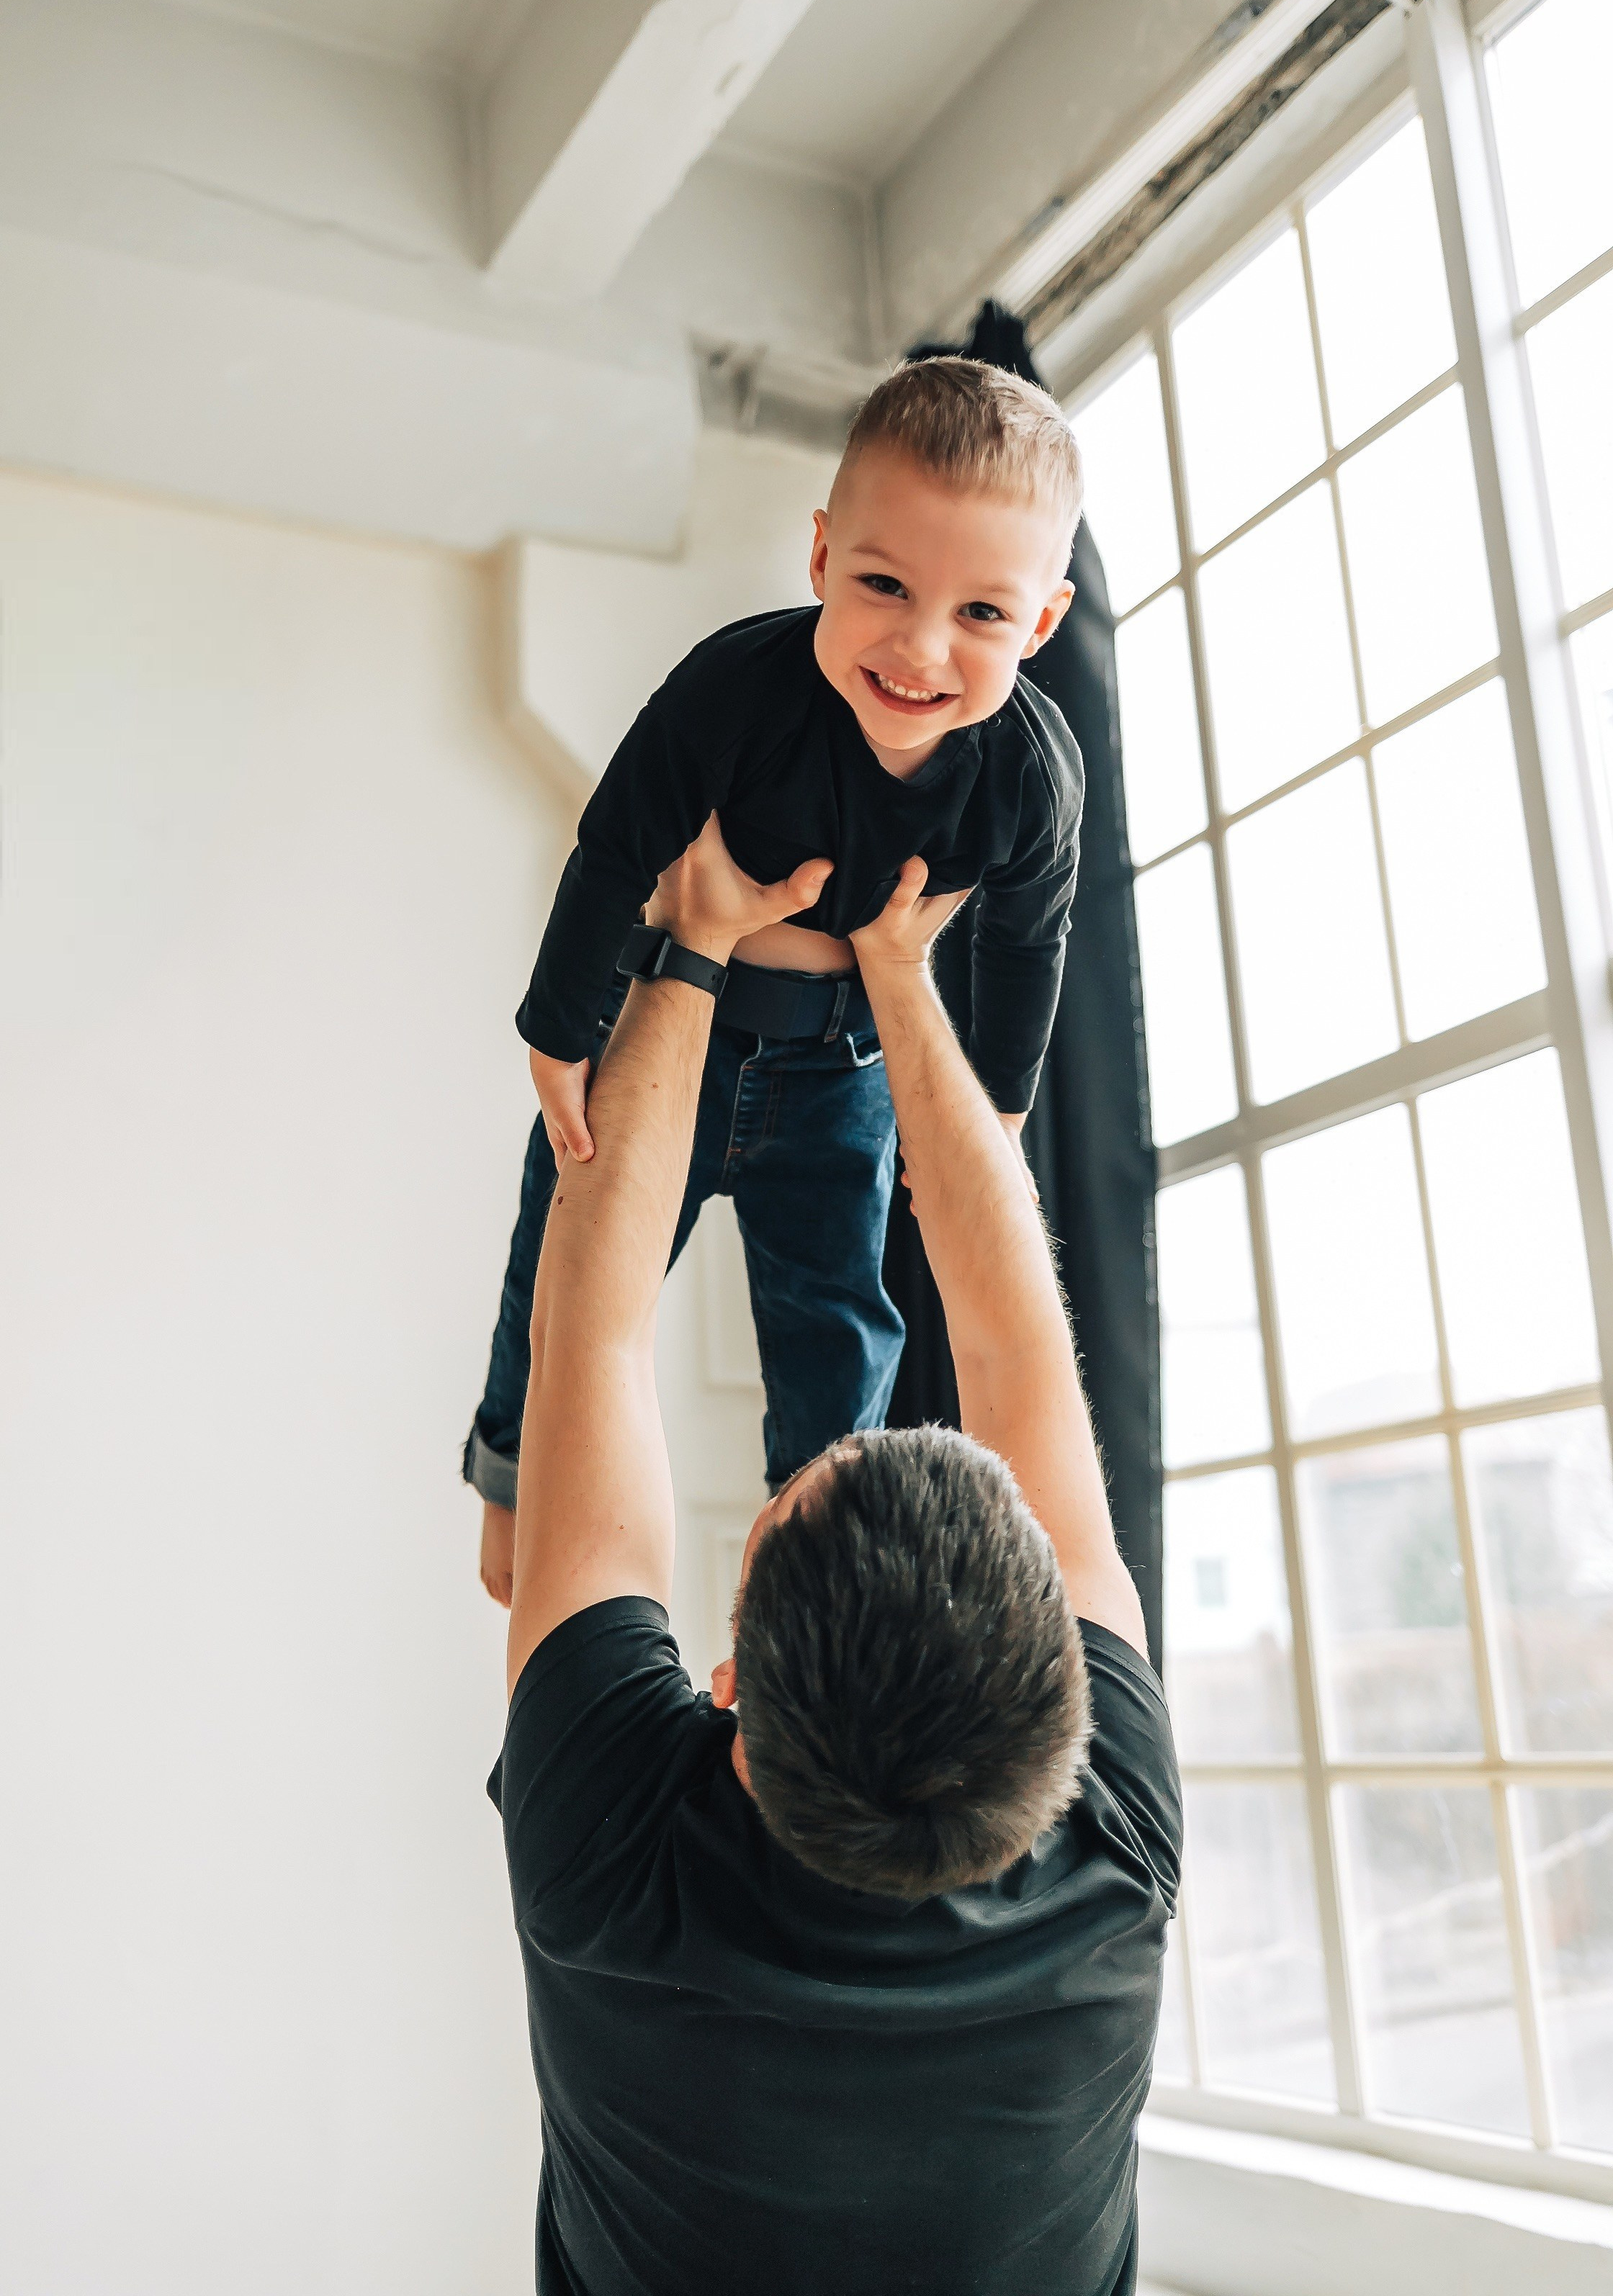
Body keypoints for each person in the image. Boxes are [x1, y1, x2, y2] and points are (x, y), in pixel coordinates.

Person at [491, 811, 1182, 2296]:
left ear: (728, 1697)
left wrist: (687, 955)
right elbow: (1007, 1342)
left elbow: (593, 1335)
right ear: (1059, 1697)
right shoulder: (1107, 1855)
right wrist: (897, 976)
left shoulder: (621, 1863)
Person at [468, 356, 1087, 1603]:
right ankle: (511, 1491)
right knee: (571, 1261)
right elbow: (617, 842)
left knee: (839, 1317)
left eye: (980, 615)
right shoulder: (739, 688)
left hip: (844, 1066)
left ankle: (809, 1575)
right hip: (680, 1032)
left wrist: (1004, 1111)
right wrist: (559, 1029)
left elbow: (1030, 939)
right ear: (819, 559)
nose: (918, 648)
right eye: (882, 586)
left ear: (1043, 623)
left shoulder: (1028, 774)